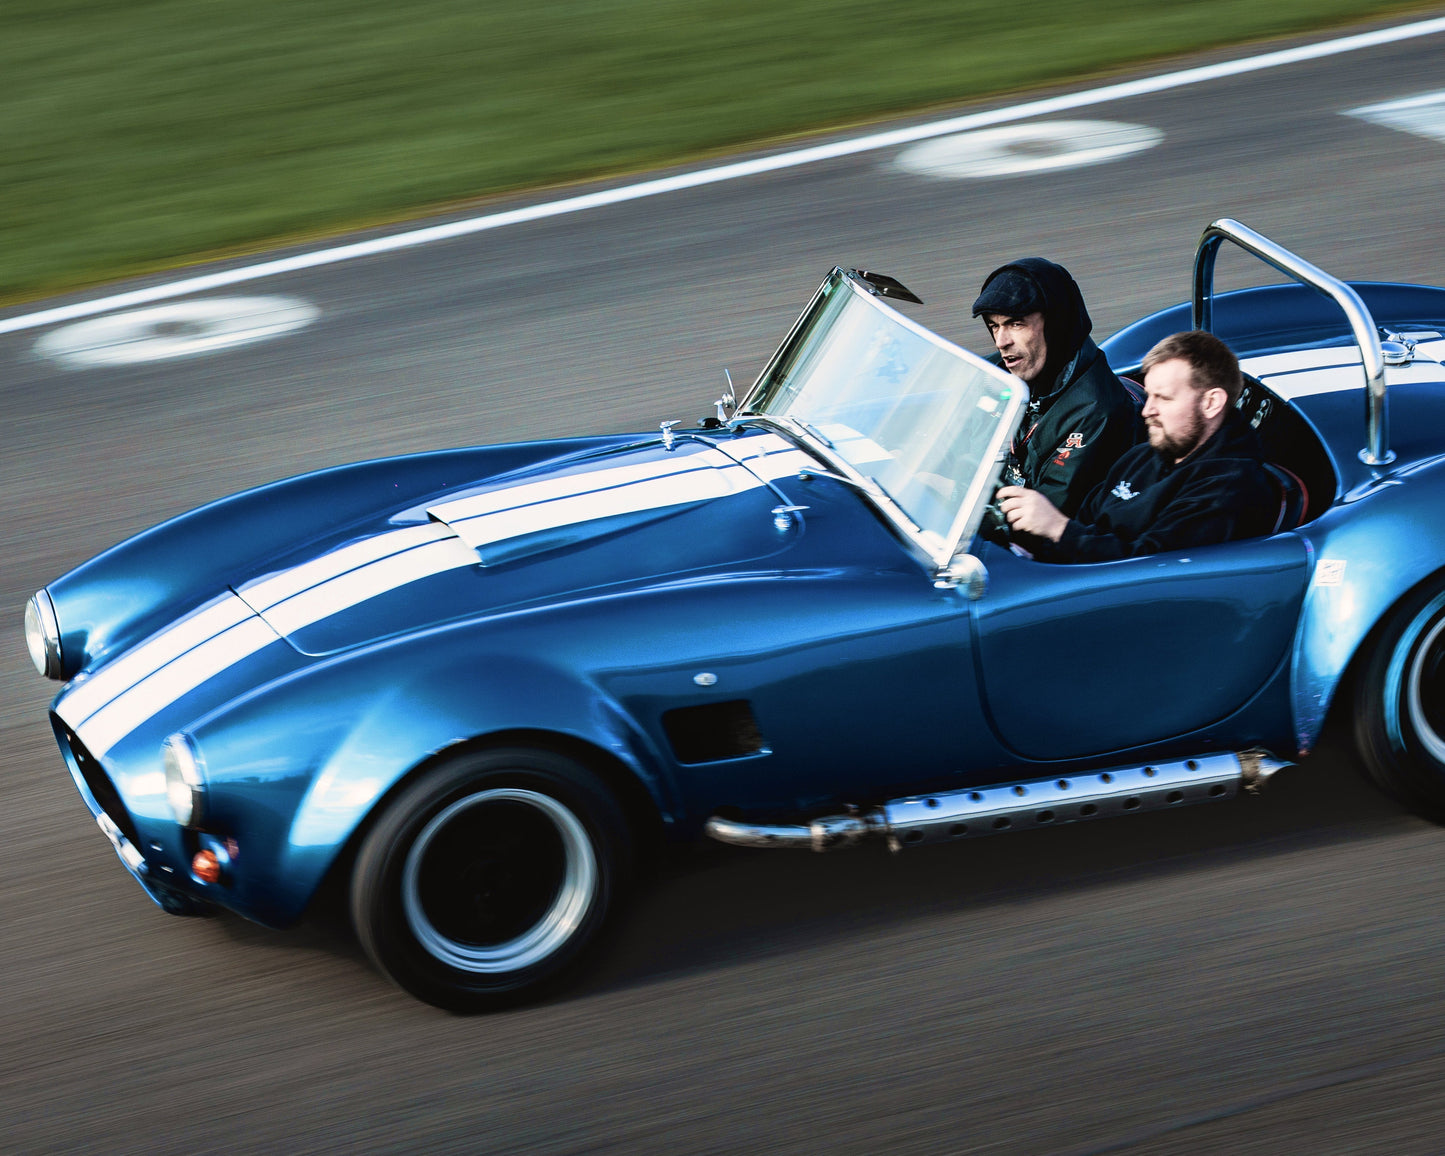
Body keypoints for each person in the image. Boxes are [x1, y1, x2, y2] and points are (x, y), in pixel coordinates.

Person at [996, 330, 1279, 563]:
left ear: (1211, 403)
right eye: (1149, 395)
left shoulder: (1229, 489)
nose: (1147, 410)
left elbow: (1151, 568)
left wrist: (1058, 529)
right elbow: (1087, 523)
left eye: (1164, 398)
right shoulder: (1143, 456)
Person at [973, 258, 1141, 517]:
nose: (1001, 341)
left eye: (1016, 324)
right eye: (994, 326)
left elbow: (1040, 520)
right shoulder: (998, 371)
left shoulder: (1097, 412)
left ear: (1055, 324)